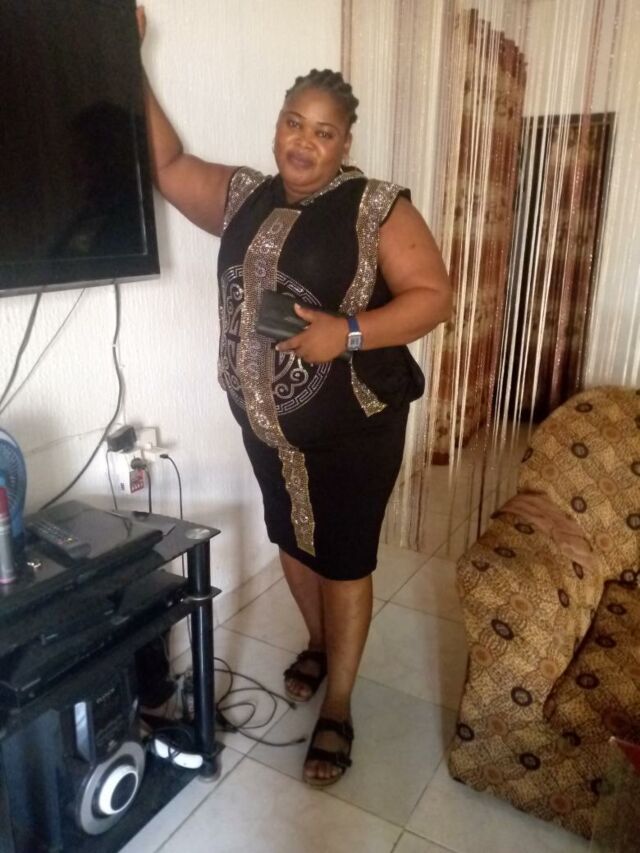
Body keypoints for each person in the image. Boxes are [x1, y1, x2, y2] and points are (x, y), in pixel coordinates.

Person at [136, 6, 451, 786]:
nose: (303, 142)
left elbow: (433, 297)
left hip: (354, 427)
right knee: (291, 538)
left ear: (345, 142)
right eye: (293, 123)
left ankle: (338, 703)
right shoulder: (244, 195)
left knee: (342, 558)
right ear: (277, 124)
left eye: (323, 132)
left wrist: (345, 332)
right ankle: (316, 642)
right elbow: (168, 165)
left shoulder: (377, 206)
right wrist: (129, 58)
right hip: (267, 429)